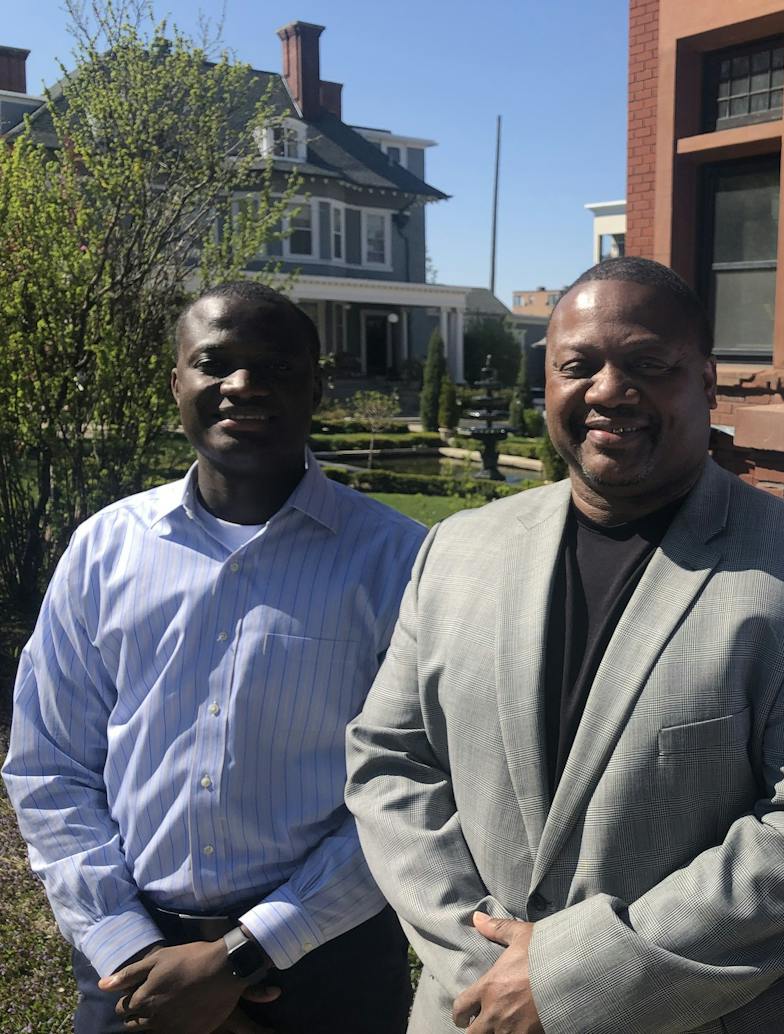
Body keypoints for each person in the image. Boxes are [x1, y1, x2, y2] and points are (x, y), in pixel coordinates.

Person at [345, 256, 784, 1034]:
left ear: (706, 382)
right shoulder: (455, 551)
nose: (609, 390)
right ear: (548, 382)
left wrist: (565, 980)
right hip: (473, 1011)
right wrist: (490, 967)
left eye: (647, 364)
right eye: (580, 366)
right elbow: (388, 761)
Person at [4, 281, 425, 1034]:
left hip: (328, 966)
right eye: (214, 363)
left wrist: (242, 954)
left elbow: (414, 787)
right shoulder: (105, 549)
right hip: (129, 964)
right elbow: (49, 764)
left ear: (316, 386)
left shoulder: (399, 562)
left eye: (277, 367)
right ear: (177, 383)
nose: (243, 385)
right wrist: (128, 947)